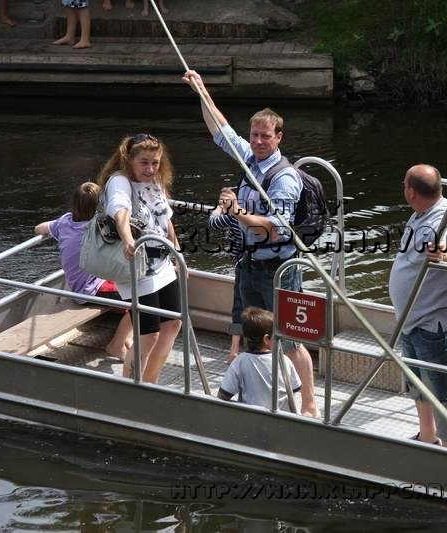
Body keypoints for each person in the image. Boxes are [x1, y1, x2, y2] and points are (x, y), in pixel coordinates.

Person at [181, 69, 320, 418]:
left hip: (278, 270)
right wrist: (202, 91)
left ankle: (308, 402)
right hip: (248, 265)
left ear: (279, 137)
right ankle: (254, 393)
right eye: (254, 135)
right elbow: (220, 130)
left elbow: (278, 229)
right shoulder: (250, 159)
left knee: (288, 339)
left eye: (265, 136)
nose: (258, 141)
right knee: (250, 332)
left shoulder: (284, 178)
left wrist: (236, 212)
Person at [389, 164, 447, 449]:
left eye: (404, 185)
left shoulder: (442, 221)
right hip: (414, 318)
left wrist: (442, 255)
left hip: (435, 322)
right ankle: (427, 434)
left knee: (441, 387)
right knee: (417, 381)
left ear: (411, 192)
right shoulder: (423, 212)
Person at [98, 133, 183, 384]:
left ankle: (150, 381)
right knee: (148, 334)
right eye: (144, 162)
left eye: (155, 162)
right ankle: (131, 387)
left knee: (172, 325)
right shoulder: (119, 182)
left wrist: (177, 254)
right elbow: (119, 210)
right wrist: (127, 239)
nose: (150, 168)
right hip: (137, 265)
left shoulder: (154, 181)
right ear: (129, 160)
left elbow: (165, 218)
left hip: (162, 263)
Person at [34, 181, 133, 359]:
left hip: (86, 283)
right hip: (88, 290)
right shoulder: (98, 229)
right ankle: (117, 345)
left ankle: (128, 338)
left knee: (135, 287)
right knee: (141, 298)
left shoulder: (65, 221)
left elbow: (39, 228)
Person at [217, 307, 301, 410]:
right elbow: (295, 388)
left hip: (252, 417)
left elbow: (223, 395)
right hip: (281, 419)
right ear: (266, 339)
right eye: (276, 336)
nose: (279, 339)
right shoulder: (283, 360)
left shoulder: (240, 361)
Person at [207, 206, 244, 364]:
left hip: (241, 266)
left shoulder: (234, 214)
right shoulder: (255, 211)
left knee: (239, 307)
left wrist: (220, 208)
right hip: (260, 265)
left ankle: (234, 350)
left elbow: (213, 223)